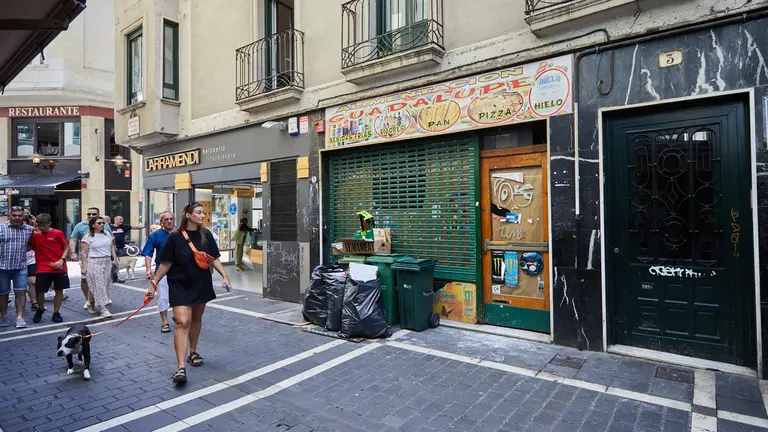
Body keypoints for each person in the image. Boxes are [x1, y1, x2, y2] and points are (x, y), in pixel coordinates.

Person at [148, 202, 232, 385]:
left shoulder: (205, 235)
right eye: (199, 212)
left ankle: (192, 351)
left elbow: (214, 258)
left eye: (203, 213)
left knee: (196, 318)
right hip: (179, 284)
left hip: (200, 283)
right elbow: (166, 263)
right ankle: (180, 367)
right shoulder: (175, 237)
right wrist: (154, 282)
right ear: (187, 214)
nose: (202, 216)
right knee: (182, 321)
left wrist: (225, 276)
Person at [30, 213, 69, 323]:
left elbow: (66, 247)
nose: (42, 228)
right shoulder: (36, 235)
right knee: (39, 290)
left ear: (50, 223)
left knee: (59, 290)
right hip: (43, 266)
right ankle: (41, 308)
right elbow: (30, 246)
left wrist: (62, 259)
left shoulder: (57, 233)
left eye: (44, 226)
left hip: (59, 266)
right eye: (40, 226)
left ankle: (56, 312)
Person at [69, 207, 111, 310]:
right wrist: (73, 253)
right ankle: (88, 299)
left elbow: (111, 241)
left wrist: (114, 257)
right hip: (87, 258)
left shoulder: (105, 226)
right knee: (85, 280)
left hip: (103, 259)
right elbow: (73, 240)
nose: (90, 216)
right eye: (89, 214)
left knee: (102, 280)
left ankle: (96, 299)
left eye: (93, 214)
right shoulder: (80, 226)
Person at [0, 206, 34, 328]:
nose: (17, 218)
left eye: (20, 215)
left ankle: (19, 317)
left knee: (21, 292)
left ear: (24, 216)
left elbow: (32, 244)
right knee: (3, 293)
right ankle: (3, 316)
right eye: (14, 215)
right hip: (2, 267)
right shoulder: (1, 227)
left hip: (20, 267)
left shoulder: (29, 230)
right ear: (9, 215)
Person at [142, 211, 175, 333]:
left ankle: (177, 315)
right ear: (161, 222)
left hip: (180, 271)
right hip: (162, 272)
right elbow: (148, 253)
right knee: (163, 298)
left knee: (179, 296)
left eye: (171, 218)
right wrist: (148, 268)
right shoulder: (155, 235)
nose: (169, 221)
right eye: (166, 219)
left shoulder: (181, 233)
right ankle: (164, 321)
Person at [80, 217, 118, 318]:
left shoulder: (107, 234)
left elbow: (112, 247)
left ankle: (90, 302)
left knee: (104, 284)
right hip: (94, 261)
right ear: (93, 225)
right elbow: (84, 253)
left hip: (106, 262)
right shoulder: (87, 237)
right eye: (99, 223)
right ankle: (103, 309)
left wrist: (115, 258)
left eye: (103, 223)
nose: (102, 224)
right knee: (99, 285)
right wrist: (84, 267)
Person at [110, 215, 144, 283]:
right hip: (111, 248)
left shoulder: (124, 227)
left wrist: (143, 226)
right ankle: (113, 277)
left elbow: (135, 227)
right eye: (120, 219)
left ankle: (117, 277)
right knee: (112, 263)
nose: (122, 221)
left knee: (119, 263)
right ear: (115, 220)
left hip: (120, 248)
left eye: (122, 219)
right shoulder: (110, 227)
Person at [25, 214, 37, 311]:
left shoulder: (31, 231)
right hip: (16, 260)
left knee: (32, 281)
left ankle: (34, 302)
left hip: (31, 259)